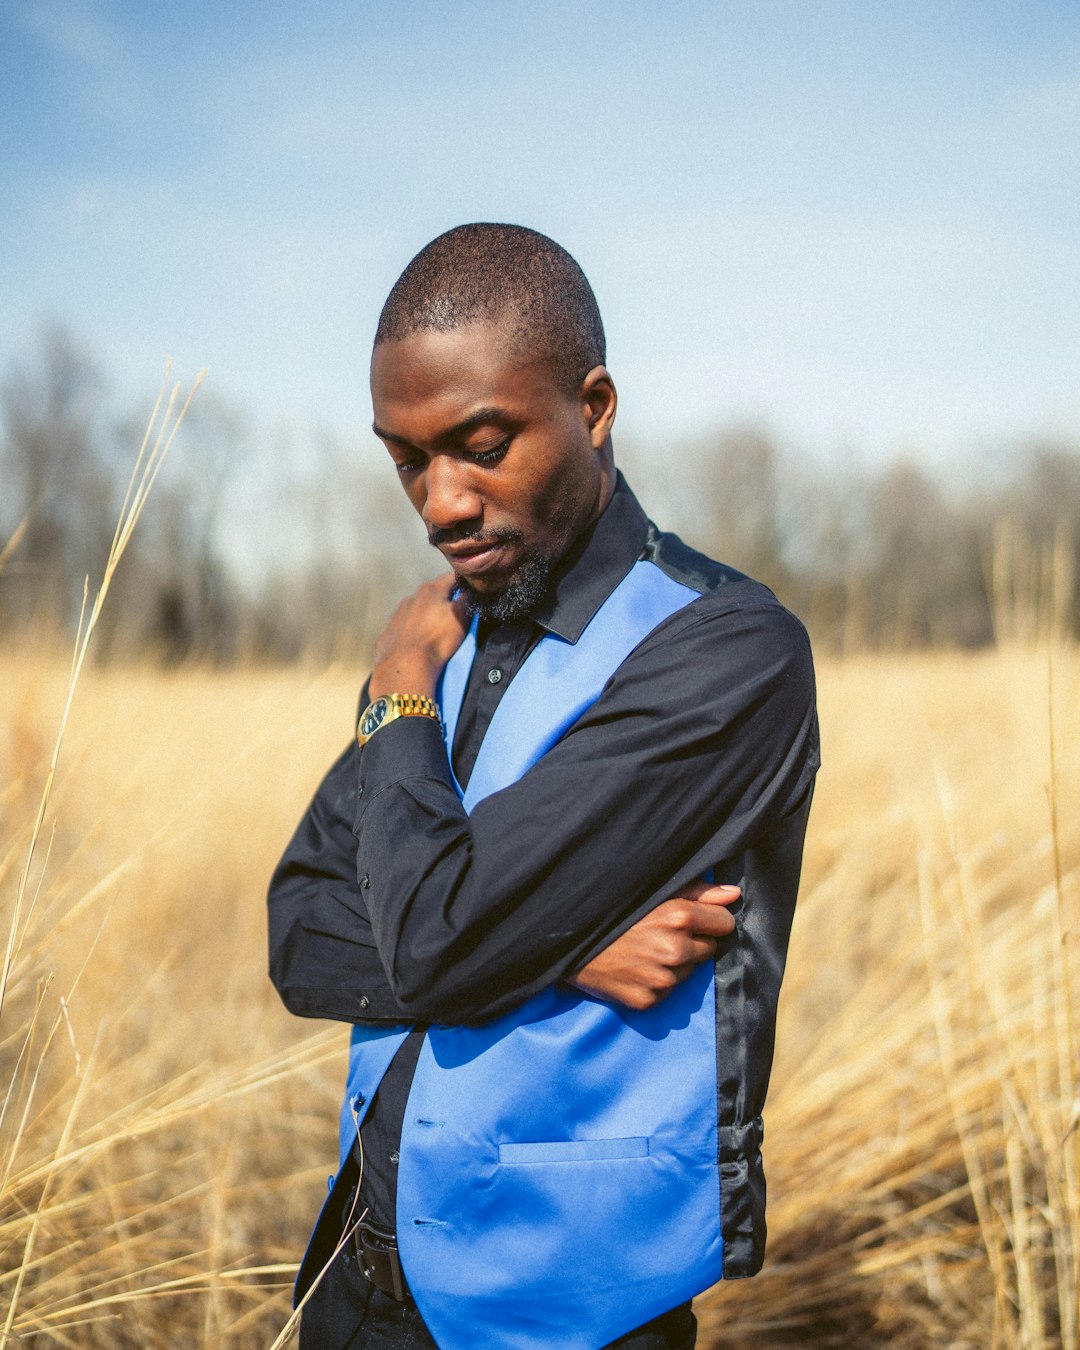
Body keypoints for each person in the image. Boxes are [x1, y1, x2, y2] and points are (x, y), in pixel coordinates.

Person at [267, 223, 819, 1350]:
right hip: (357, 1282)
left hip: (571, 1314)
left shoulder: (724, 649)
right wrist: (563, 944)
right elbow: (298, 929)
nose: (441, 503)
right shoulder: (448, 636)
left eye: (481, 443)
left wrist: (399, 689)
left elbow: (429, 940)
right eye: (408, 459)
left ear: (596, 405)